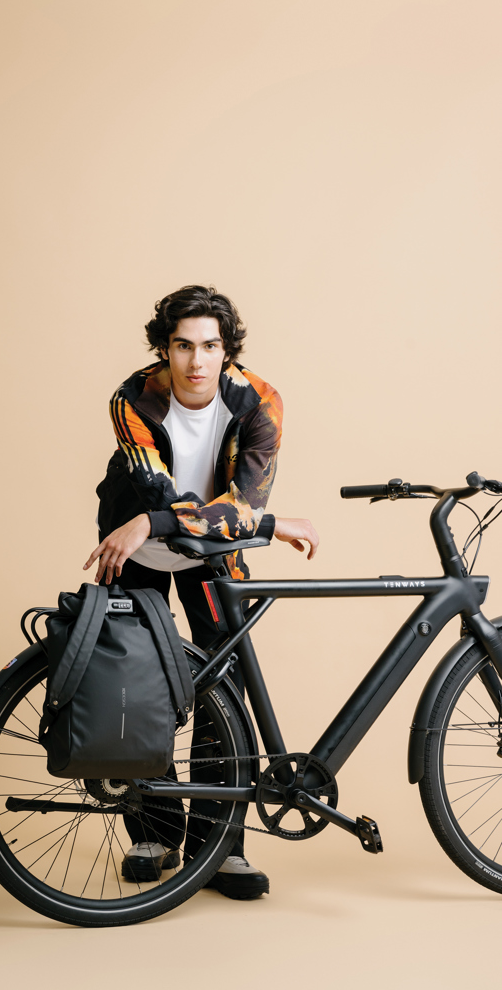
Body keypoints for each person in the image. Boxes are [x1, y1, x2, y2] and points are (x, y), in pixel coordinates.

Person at [84, 285, 318, 899]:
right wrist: (153, 522)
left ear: (227, 351)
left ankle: (219, 848)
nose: (196, 361)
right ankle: (153, 834)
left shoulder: (259, 403)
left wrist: (248, 520)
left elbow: (244, 505)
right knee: (136, 681)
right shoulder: (134, 399)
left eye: (210, 346)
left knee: (224, 686)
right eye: (183, 345)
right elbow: (159, 494)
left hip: (210, 552)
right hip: (135, 548)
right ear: (164, 349)